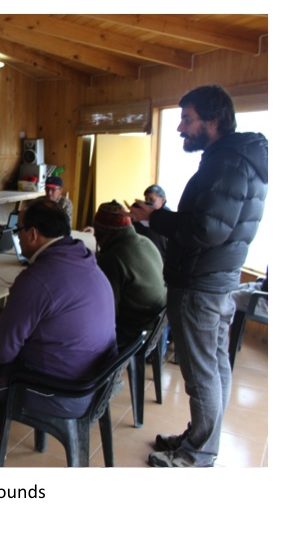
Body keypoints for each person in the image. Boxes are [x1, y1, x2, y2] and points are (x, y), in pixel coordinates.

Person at [130, 85, 268, 467]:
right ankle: (201, 437)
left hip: (200, 284)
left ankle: (198, 454)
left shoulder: (226, 163)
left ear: (213, 120)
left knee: (201, 373)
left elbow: (208, 229)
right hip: (220, 280)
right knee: (216, 366)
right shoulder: (242, 158)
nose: (180, 128)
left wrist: (155, 218)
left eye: (187, 119)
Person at [0, 200, 116, 456]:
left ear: (32, 234)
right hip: (95, 379)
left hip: (62, 392)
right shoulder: (85, 258)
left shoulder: (37, 278)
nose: (18, 236)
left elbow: (3, 351)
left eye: (19, 230)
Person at [93, 200, 167, 346]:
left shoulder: (112, 257)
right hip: (157, 324)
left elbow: (108, 311)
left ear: (103, 233)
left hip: (134, 332)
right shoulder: (146, 241)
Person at [133, 184, 170, 261]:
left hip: (160, 260)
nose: (147, 202)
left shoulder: (168, 217)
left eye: (151, 199)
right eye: (146, 199)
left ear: (163, 200)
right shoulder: (140, 213)